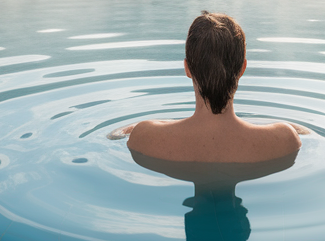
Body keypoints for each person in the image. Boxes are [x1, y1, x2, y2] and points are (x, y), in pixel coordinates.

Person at [115, 11, 306, 163]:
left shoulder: (144, 137)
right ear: (242, 69)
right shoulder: (284, 140)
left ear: (187, 68)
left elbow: (115, 135)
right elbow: (307, 134)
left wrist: (171, 123)